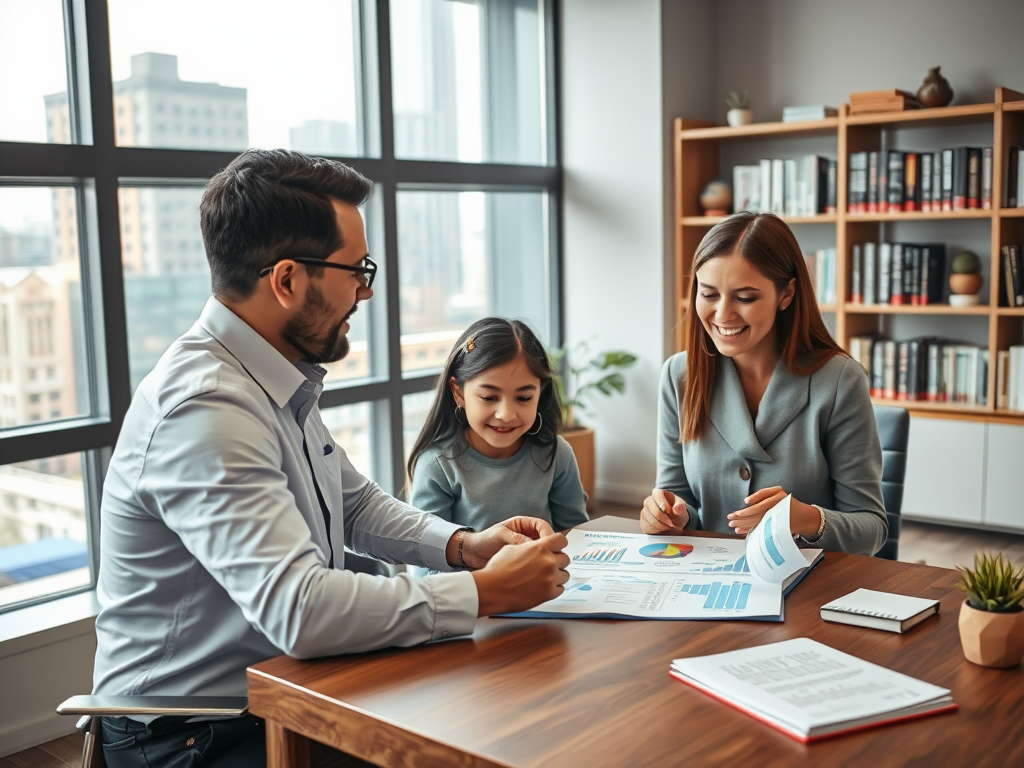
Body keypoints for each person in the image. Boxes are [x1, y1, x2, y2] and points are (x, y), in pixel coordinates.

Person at [92, 149, 570, 768]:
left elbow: (354, 502)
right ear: (288, 280)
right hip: (192, 732)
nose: (366, 291)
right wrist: (479, 593)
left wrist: (464, 547)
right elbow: (300, 609)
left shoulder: (269, 372)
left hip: (279, 685)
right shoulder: (207, 408)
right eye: (357, 270)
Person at [640, 212, 886, 555]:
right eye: (709, 294)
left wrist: (805, 519)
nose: (723, 314)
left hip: (808, 585)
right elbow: (679, 500)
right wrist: (668, 516)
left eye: (745, 298)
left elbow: (871, 529)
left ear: (786, 295)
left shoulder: (840, 380)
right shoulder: (678, 375)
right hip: (709, 582)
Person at [407, 317, 589, 551]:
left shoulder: (557, 453)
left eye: (524, 398)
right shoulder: (438, 464)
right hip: (469, 588)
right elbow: (426, 560)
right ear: (458, 392)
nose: (505, 414)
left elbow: (578, 537)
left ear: (539, 394)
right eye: (489, 398)